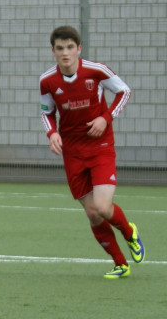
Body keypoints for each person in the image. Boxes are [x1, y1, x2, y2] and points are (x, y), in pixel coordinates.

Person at [39, 25, 143, 279]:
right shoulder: (47, 81)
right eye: (60, 48)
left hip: (100, 147)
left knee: (103, 207)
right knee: (93, 214)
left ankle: (130, 232)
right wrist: (52, 133)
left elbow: (124, 91)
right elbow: (46, 112)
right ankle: (120, 264)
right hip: (72, 152)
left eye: (70, 47)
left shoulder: (96, 71)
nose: (65, 53)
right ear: (53, 51)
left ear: (79, 49)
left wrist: (106, 118)